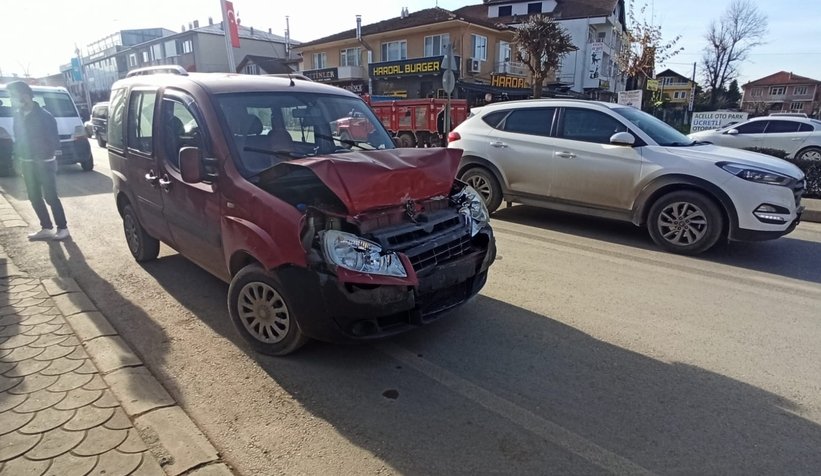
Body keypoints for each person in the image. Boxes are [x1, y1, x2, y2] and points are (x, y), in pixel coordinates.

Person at [7, 81, 69, 241]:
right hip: (27, 163)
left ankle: (62, 228)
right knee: (34, 196)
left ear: (25, 95)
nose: (12, 99)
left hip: (45, 162)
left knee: (50, 196)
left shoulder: (44, 116)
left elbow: (54, 141)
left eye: (13, 95)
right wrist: (17, 158)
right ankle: (46, 227)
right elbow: (18, 139)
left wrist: (41, 156)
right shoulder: (19, 115)